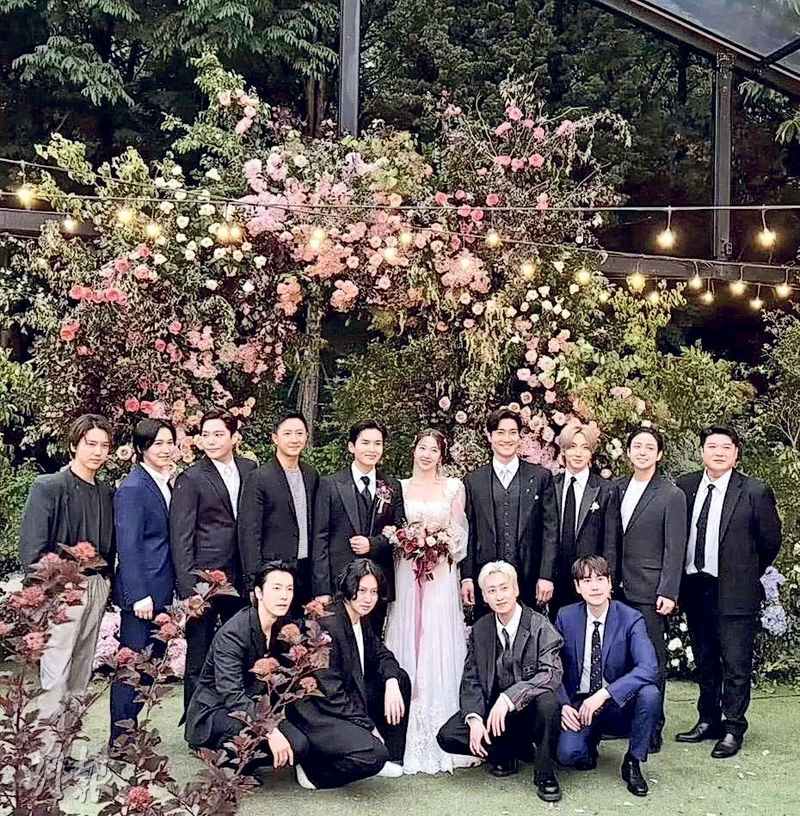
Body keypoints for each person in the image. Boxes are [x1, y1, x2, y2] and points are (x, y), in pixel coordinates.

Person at [675, 426, 781, 758]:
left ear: (736, 453)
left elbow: (770, 542)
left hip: (735, 590)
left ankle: (733, 727)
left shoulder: (754, 491)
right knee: (705, 660)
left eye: (726, 447)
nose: (718, 452)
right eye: (712, 446)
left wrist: (744, 571)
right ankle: (708, 719)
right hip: (696, 586)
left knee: (735, 663)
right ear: (702, 452)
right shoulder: (685, 486)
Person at [383, 429, 479, 774]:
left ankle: (443, 725)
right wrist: (409, 541)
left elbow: (459, 533)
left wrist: (438, 545)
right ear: (414, 450)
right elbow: (392, 529)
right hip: (407, 573)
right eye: (422, 447)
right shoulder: (398, 486)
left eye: (433, 450)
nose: (426, 454)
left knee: (437, 639)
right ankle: (402, 728)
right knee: (406, 633)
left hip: (440, 576)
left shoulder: (453, 488)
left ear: (441, 455)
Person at [437, 561, 563, 803]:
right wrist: (474, 718)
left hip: (528, 710)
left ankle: (545, 776)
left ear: (516, 590)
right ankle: (506, 752)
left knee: (548, 703)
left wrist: (509, 698)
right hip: (494, 713)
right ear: (484, 597)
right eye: (491, 590)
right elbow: (471, 677)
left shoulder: (540, 626)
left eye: (504, 588)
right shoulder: (481, 628)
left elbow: (551, 674)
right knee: (449, 735)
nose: (499, 596)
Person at [19, 414, 115, 723]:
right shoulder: (49, 486)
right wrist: (46, 591)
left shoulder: (105, 491)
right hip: (61, 588)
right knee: (56, 672)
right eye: (90, 444)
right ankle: (47, 747)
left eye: (104, 445)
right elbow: (32, 547)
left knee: (81, 672)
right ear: (74, 445)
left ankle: (67, 742)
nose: (97, 452)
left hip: (97, 585)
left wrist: (107, 582)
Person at [290, 558, 411, 790]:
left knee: (400, 679)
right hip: (321, 712)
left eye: (373, 592)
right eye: (362, 590)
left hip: (346, 697)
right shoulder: (329, 624)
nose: (368, 598)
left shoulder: (359, 618)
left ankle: (391, 756)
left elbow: (382, 655)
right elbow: (331, 691)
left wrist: (392, 682)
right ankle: (314, 771)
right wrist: (369, 727)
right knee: (373, 754)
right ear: (348, 588)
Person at [184, 561, 309, 776]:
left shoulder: (282, 625)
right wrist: (270, 730)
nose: (284, 596)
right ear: (259, 593)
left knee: (299, 746)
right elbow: (231, 694)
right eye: (276, 588)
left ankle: (248, 758)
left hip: (254, 706)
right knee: (245, 730)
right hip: (217, 711)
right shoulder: (234, 633)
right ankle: (224, 760)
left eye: (289, 589)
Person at [169, 408, 257, 715]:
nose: (211, 441)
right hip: (204, 582)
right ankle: (196, 723)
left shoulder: (249, 469)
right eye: (205, 435)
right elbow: (181, 536)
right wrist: (188, 589)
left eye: (219, 434)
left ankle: (238, 719)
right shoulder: (191, 478)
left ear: (234, 437)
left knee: (242, 649)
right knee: (200, 654)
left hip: (241, 576)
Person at [606, 425, 686, 753]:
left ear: (659, 454)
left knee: (650, 660)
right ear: (628, 452)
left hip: (651, 591)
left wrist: (668, 591)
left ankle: (652, 727)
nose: (642, 452)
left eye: (649, 447)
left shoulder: (671, 495)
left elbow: (675, 548)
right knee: (620, 659)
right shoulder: (616, 488)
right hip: (617, 589)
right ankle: (625, 721)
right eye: (636, 446)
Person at [555, 555, 660, 797]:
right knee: (567, 755)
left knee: (650, 693)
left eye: (600, 579)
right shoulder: (565, 617)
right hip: (580, 703)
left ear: (610, 583)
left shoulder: (630, 618)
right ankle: (589, 742)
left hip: (616, 703)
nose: (594, 587)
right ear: (577, 587)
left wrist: (605, 693)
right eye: (587, 580)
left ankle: (633, 761)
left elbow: (649, 667)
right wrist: (563, 704)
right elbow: (552, 666)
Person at [110, 418, 177, 746]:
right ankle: (119, 739)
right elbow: (128, 544)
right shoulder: (133, 488)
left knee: (150, 665)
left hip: (162, 589)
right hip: (143, 595)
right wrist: (138, 594)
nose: (165, 449)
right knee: (133, 667)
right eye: (157, 443)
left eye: (169, 442)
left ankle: (131, 731)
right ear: (141, 448)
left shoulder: (164, 482)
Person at [461, 408, 559, 617]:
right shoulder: (473, 481)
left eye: (513, 432)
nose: (507, 438)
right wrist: (467, 576)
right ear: (489, 436)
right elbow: (469, 532)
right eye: (500, 432)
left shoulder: (540, 477)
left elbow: (550, 530)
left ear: (519, 436)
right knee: (488, 633)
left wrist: (546, 575)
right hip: (487, 581)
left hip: (530, 579)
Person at [311, 420, 404, 635]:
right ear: (352, 446)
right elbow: (320, 538)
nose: (372, 449)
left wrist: (373, 544)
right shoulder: (329, 484)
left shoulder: (392, 486)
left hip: (377, 586)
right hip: (340, 584)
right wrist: (322, 589)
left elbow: (401, 531)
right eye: (365, 443)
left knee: (372, 643)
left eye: (377, 444)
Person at [238, 413, 319, 613]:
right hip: (273, 572)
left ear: (306, 437)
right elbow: (249, 533)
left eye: (299, 433)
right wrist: (253, 581)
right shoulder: (259, 478)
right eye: (287, 433)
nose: (294, 439)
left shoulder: (311, 475)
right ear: (275, 438)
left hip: (305, 570)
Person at [550, 422, 617, 621]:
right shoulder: (551, 485)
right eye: (572, 447)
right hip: (555, 579)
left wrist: (607, 582)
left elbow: (610, 541)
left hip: (590, 580)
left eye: (585, 447)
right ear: (563, 450)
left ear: (591, 453)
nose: (578, 453)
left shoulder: (605, 489)